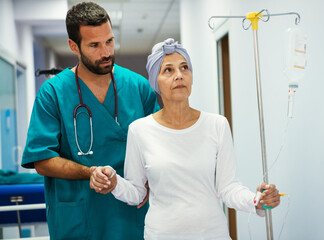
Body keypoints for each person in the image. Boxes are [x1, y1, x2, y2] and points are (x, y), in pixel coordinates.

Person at [90, 38, 281, 240]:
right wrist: (114, 182)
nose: (179, 75)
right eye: (168, 70)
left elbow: (228, 188)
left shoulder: (217, 125)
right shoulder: (140, 130)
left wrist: (256, 200)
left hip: (212, 234)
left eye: (184, 68)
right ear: (156, 82)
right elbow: (137, 192)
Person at [21, 2, 159, 239]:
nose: (106, 52)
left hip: (129, 214)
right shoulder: (53, 93)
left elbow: (158, 146)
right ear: (73, 46)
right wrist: (89, 173)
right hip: (78, 216)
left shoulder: (138, 87)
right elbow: (41, 159)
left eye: (109, 41)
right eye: (94, 45)